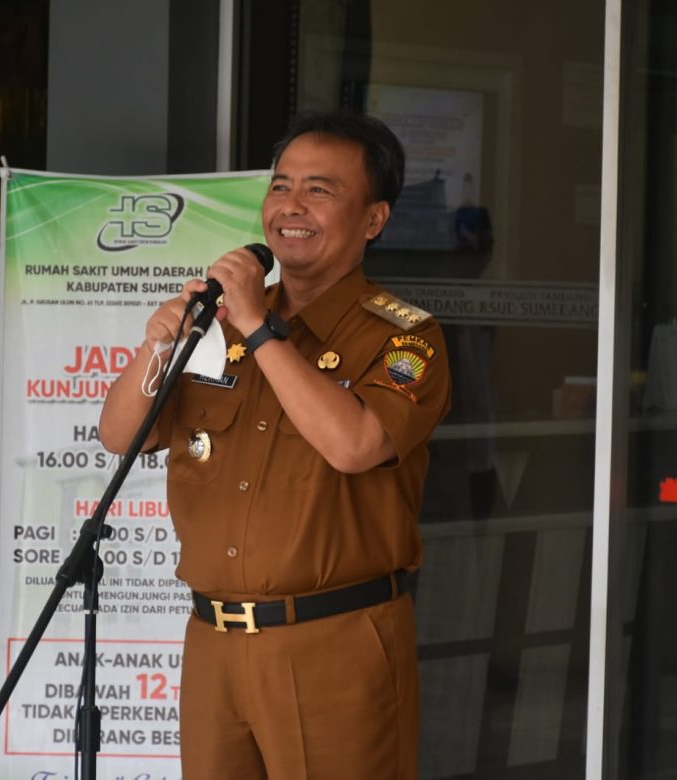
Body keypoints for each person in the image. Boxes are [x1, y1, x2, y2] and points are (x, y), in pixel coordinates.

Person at [99, 110, 451, 779]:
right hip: (215, 643)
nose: (291, 207)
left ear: (373, 219)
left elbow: (354, 445)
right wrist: (158, 346)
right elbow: (120, 435)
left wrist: (260, 328)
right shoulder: (220, 324)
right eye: (281, 186)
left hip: (335, 644)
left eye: (319, 190)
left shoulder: (405, 338)